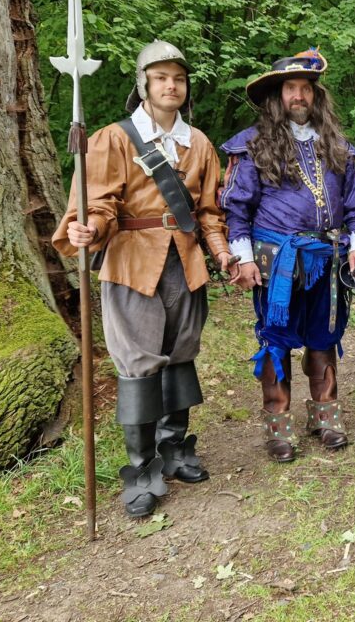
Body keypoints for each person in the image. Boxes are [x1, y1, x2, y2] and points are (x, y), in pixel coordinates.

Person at [53, 40, 235, 517]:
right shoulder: (113, 139)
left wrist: (222, 252)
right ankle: (141, 468)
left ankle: (174, 448)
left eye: (178, 78)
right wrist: (90, 228)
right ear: (144, 85)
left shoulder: (199, 144)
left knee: (181, 354)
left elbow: (210, 211)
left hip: (185, 261)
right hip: (132, 262)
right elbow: (97, 202)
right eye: (161, 78)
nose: (171, 85)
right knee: (137, 364)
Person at [220, 49, 355, 463]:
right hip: (277, 262)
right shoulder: (252, 147)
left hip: (328, 257)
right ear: (278, 96)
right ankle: (278, 425)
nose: (299, 96)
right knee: (277, 340)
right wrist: (243, 258)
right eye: (291, 88)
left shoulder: (338, 146)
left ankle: (325, 416)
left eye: (306, 88)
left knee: (325, 336)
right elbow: (237, 209)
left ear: (316, 96)